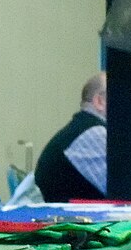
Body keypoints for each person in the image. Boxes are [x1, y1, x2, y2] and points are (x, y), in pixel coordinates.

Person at [35, 72, 108, 200]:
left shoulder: (80, 128)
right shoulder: (94, 134)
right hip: (68, 218)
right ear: (100, 101)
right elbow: (129, 195)